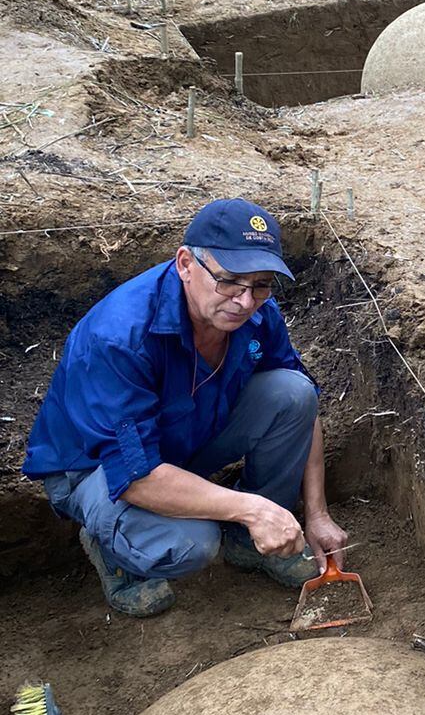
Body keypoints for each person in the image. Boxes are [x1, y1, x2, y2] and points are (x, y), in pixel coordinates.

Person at [23, 198, 348, 618]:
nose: (245, 301)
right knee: (193, 542)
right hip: (94, 468)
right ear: (185, 264)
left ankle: (253, 543)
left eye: (261, 284)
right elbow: (136, 476)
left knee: (293, 392)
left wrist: (316, 514)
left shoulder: (256, 313)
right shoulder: (120, 338)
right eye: (229, 281)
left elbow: (304, 406)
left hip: (180, 435)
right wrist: (253, 508)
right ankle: (114, 549)